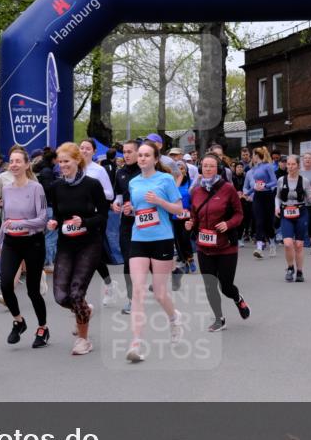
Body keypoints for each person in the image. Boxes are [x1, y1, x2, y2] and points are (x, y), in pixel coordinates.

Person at [114, 140, 184, 363]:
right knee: (138, 291)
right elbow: (139, 211)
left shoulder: (165, 179)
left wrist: (160, 201)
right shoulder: (133, 183)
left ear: (155, 159)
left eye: (146, 155)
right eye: (140, 155)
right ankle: (136, 343)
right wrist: (130, 210)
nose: (142, 158)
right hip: (139, 238)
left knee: (160, 293)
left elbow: (179, 209)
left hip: (162, 238)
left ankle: (174, 318)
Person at [47, 142, 108, 355]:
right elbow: (57, 212)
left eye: (67, 161)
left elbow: (103, 216)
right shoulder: (56, 187)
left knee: (75, 292)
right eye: (60, 162)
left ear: (77, 161)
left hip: (89, 244)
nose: (63, 165)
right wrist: (54, 222)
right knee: (60, 296)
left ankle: (83, 340)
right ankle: (85, 309)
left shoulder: (92, 185)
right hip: (66, 244)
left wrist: (84, 222)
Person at [185, 154, 250, 332]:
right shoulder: (196, 191)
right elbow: (195, 215)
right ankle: (219, 319)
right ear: (200, 169)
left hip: (226, 246)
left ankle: (237, 298)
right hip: (204, 247)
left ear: (218, 169)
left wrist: (228, 224)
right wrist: (191, 223)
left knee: (226, 286)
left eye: (211, 166)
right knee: (209, 284)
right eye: (205, 166)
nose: (207, 169)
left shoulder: (228, 189)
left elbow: (239, 214)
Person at [0, 148, 50, 348]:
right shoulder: (7, 189)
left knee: (32, 290)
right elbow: (6, 220)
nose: (14, 164)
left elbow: (42, 219)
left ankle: (43, 328)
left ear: (27, 165)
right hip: (11, 242)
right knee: (6, 284)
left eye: (19, 161)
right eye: (11, 161)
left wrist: (22, 224)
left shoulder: (36, 188)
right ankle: (18, 321)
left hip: (32, 242)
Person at [79, 139, 118, 307]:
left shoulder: (99, 170)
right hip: (77, 216)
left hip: (95, 217)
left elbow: (110, 194)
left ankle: (108, 285)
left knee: (93, 254)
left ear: (94, 152)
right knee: (84, 254)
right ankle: (79, 294)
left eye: (88, 148)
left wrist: (93, 190)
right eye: (81, 148)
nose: (84, 151)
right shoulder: (74, 168)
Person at [112, 140, 141, 315]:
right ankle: (132, 299)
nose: (126, 155)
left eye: (130, 151)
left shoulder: (146, 172)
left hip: (147, 223)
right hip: (127, 223)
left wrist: (137, 208)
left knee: (150, 262)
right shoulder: (120, 173)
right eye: (124, 151)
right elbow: (118, 196)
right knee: (129, 261)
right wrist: (115, 204)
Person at [275, 155, 308, 283]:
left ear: (298, 165)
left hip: (301, 213)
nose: (290, 167)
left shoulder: (304, 180)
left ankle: (300, 271)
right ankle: (290, 268)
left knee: (299, 245)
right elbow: (277, 196)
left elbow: (309, 197)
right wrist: (277, 207)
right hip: (286, 213)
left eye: (293, 164)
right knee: (288, 243)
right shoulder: (281, 180)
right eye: (288, 164)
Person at [243, 147, 277, 259]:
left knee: (268, 223)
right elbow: (256, 185)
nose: (252, 157)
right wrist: (248, 193)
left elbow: (274, 182)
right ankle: (259, 247)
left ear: (257, 155)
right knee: (258, 221)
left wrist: (265, 186)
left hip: (268, 196)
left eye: (253, 155)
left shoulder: (268, 166)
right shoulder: (255, 168)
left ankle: (272, 244)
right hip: (257, 196)